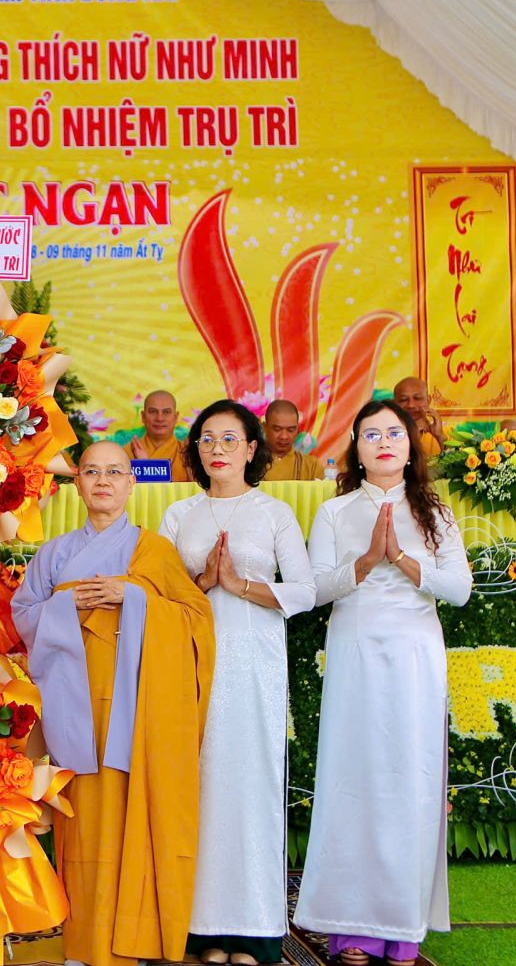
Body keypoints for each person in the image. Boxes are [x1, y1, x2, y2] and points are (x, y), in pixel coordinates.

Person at [11, 439, 215, 966]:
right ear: (77, 484)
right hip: (72, 702)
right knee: (82, 823)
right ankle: (84, 943)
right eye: (92, 472)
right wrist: (63, 605)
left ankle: (132, 941)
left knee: (132, 817)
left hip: (135, 708)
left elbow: (196, 620)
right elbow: (23, 618)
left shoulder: (155, 552)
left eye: (114, 472)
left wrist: (137, 598)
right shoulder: (53, 554)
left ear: (131, 482)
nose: (103, 481)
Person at [294, 401, 472, 966]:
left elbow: (460, 590)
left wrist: (404, 560)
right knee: (354, 777)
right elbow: (315, 590)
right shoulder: (335, 511)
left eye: (394, 432)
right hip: (356, 651)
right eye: (371, 434)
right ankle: (354, 928)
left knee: (411, 779)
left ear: (411, 444)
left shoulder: (435, 512)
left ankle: (403, 930)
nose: (384, 442)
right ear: (356, 446)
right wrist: (368, 561)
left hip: (416, 655)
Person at [159, 401, 315, 966]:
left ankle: (253, 932)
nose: (217, 449)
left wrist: (240, 585)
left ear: (252, 448)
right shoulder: (179, 514)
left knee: (252, 785)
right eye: (207, 439)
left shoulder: (274, 513)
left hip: (253, 665)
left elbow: (304, 591)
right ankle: (198, 927)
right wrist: (203, 582)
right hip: (193, 663)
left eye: (230, 439)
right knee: (198, 786)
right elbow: (156, 594)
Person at [127, 390, 191, 480]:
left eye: (166, 412)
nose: (159, 418)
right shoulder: (125, 453)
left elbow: (197, 487)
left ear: (176, 417)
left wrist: (145, 465)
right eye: (153, 411)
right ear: (143, 416)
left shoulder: (187, 454)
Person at [260, 399, 321, 481]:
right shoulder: (250, 463)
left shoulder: (312, 466)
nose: (284, 436)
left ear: (298, 430)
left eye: (291, 430)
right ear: (264, 427)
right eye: (277, 429)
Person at [392, 378, 444, 457]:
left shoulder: (444, 431)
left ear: (428, 400)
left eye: (417, 398)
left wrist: (439, 435)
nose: (411, 405)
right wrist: (413, 435)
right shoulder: (387, 433)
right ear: (395, 404)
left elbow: (456, 462)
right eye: (403, 400)